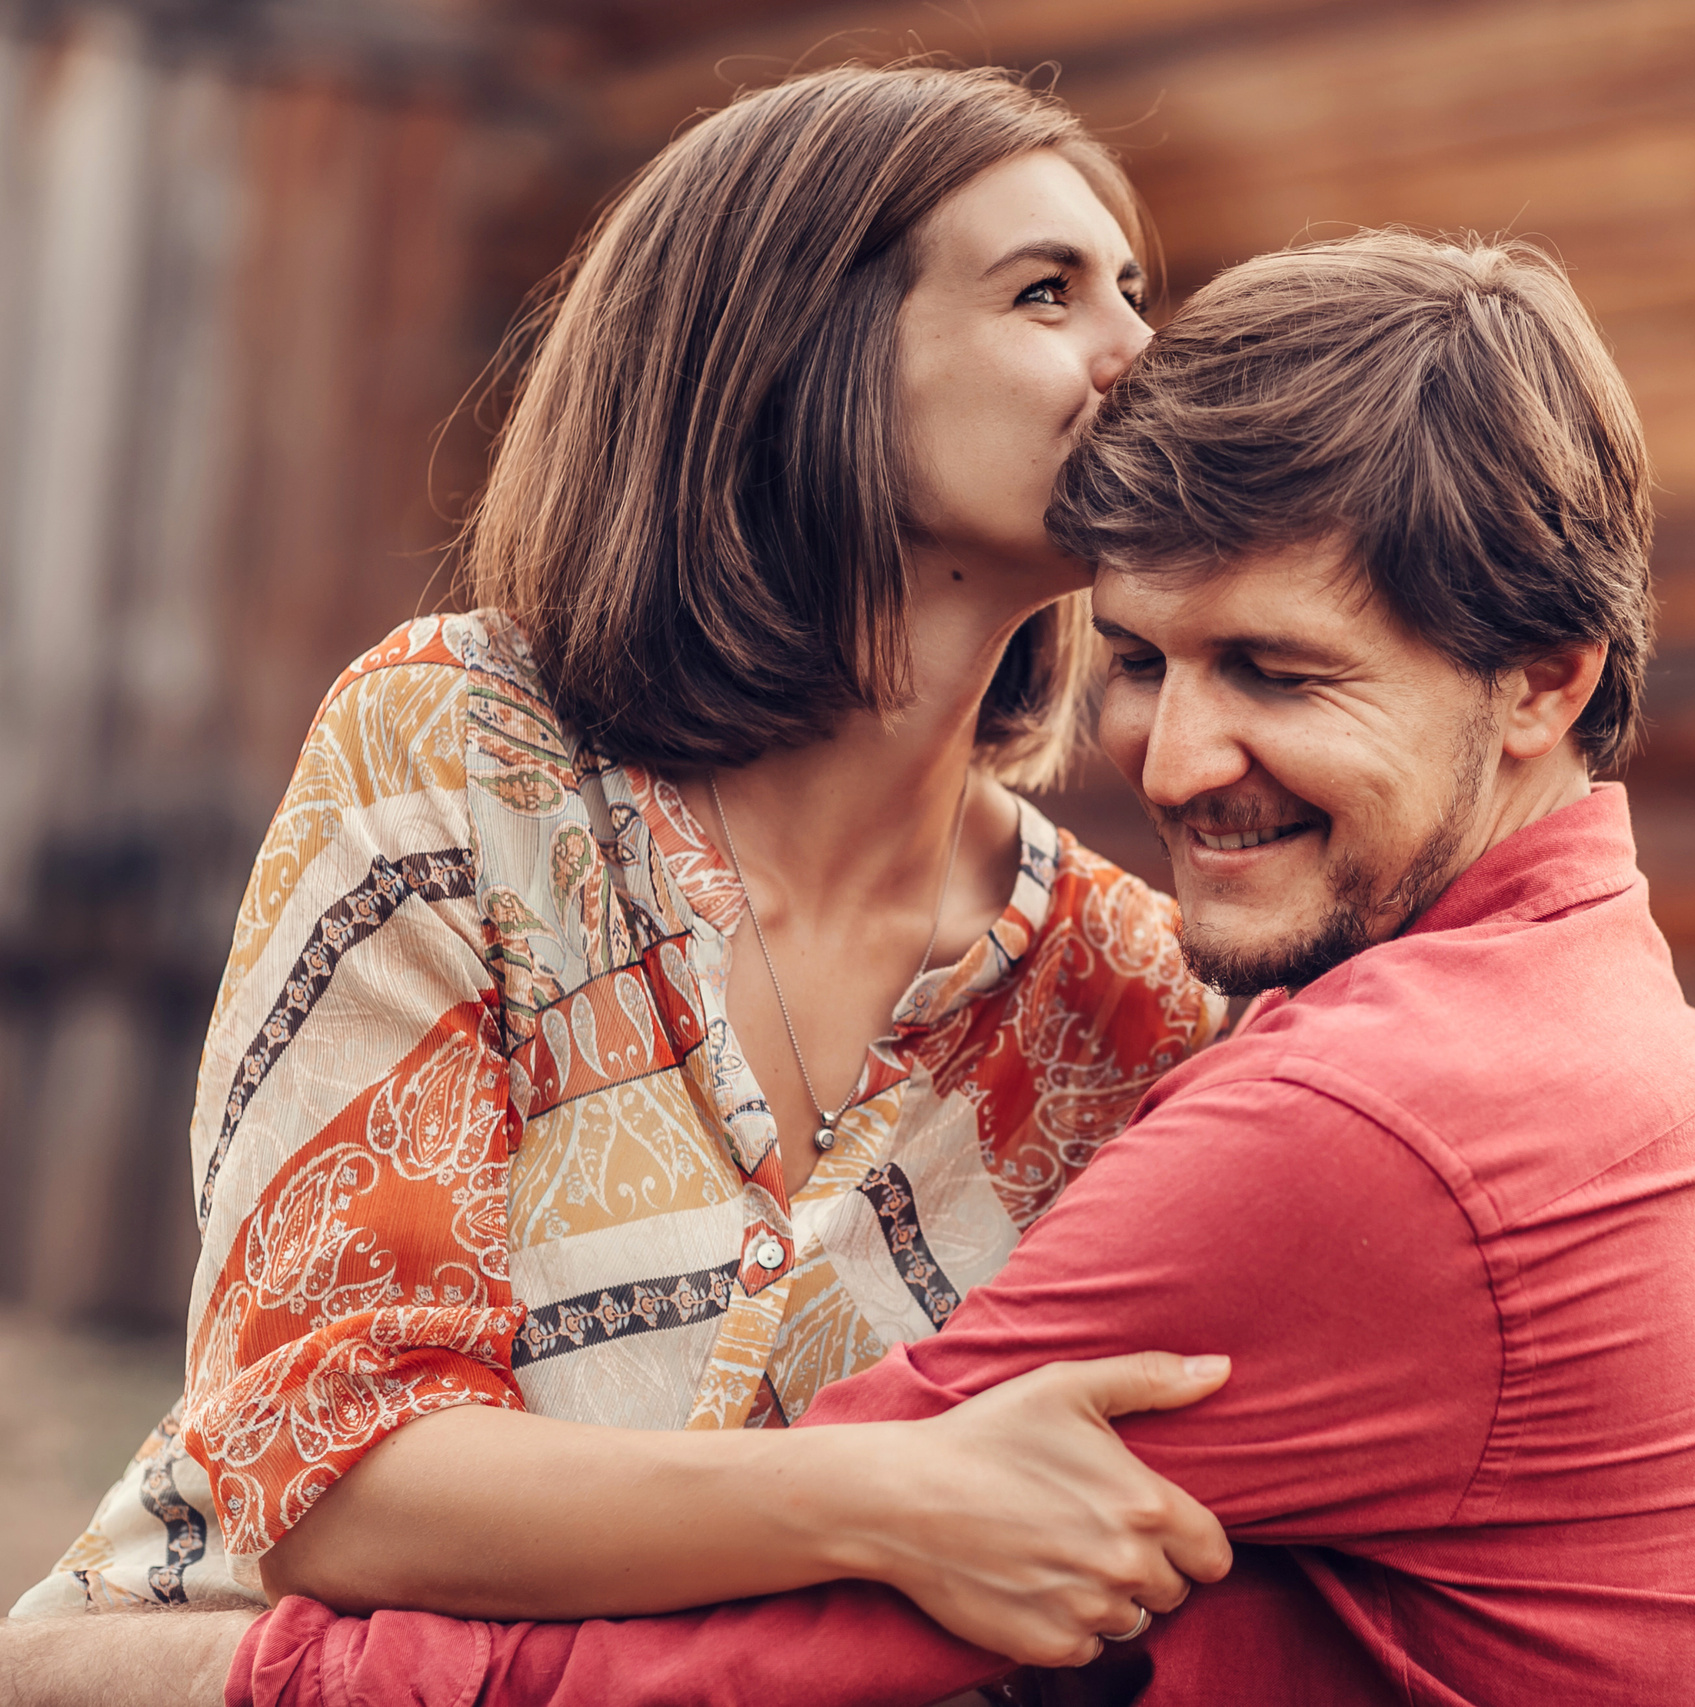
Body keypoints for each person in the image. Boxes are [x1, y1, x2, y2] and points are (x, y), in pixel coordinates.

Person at [220, 230, 1695, 1707]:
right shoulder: (1545, 1011)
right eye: (1147, 661)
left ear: (1541, 681)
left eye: (1280, 675)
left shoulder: (1372, 1117)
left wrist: (157, 1677)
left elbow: (749, 1651)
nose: (1173, 763)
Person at [10, 59, 1239, 1674]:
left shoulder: (1128, 992)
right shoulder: (458, 750)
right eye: (1045, 292)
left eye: (1137, 292)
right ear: (802, 353)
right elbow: (339, 1476)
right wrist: (888, 1500)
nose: (1141, 357)